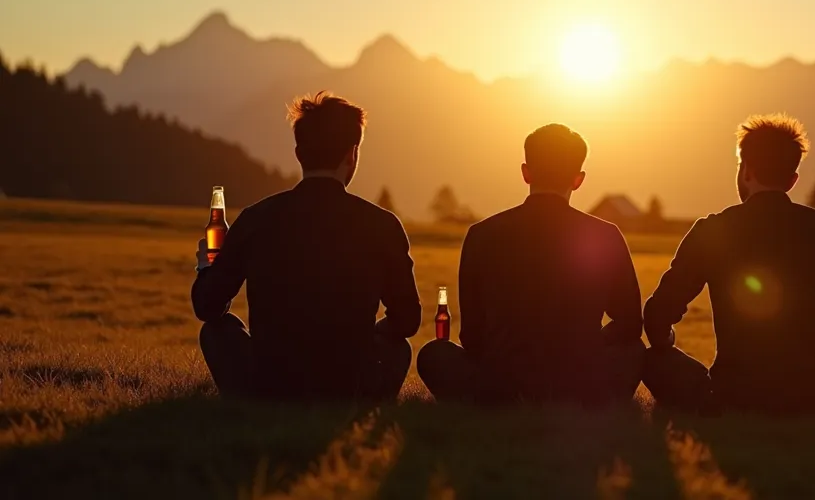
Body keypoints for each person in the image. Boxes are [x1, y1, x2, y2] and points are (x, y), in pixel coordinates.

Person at [642, 114, 815, 416]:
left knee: (652, 360)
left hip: (734, 396)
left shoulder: (713, 230)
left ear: (746, 171)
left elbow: (655, 317)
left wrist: (667, 340)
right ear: (792, 180)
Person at [191, 92, 421, 402]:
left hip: (270, 386)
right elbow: (407, 321)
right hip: (350, 386)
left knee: (217, 331)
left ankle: (250, 401)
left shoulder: (256, 219)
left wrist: (209, 267)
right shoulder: (382, 225)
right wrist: (370, 336)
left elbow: (208, 308)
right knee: (397, 346)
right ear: (352, 154)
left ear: (299, 153)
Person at [416, 124, 644, 406]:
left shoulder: (482, 234)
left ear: (526, 172)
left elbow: (472, 335)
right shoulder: (604, 235)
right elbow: (630, 325)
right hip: (580, 378)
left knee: (433, 355)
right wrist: (586, 347)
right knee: (634, 350)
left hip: (501, 380)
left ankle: (492, 401)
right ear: (578, 179)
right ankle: (585, 401)